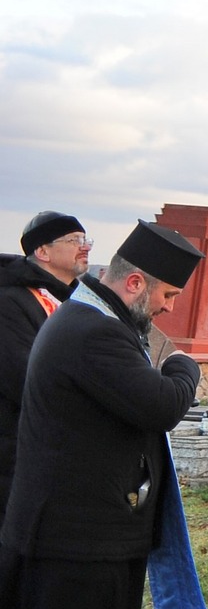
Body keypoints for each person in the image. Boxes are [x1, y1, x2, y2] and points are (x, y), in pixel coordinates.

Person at [0, 221, 204, 609]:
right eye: (166, 296)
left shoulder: (88, 318)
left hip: (84, 535)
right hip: (76, 543)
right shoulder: (95, 331)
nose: (166, 310)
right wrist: (182, 366)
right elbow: (161, 404)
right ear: (135, 283)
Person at [0, 211, 91, 526]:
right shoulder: (11, 301)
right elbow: (22, 379)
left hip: (58, 451)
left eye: (85, 239)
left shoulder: (75, 303)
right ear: (43, 251)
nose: (85, 247)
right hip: (14, 453)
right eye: (73, 240)